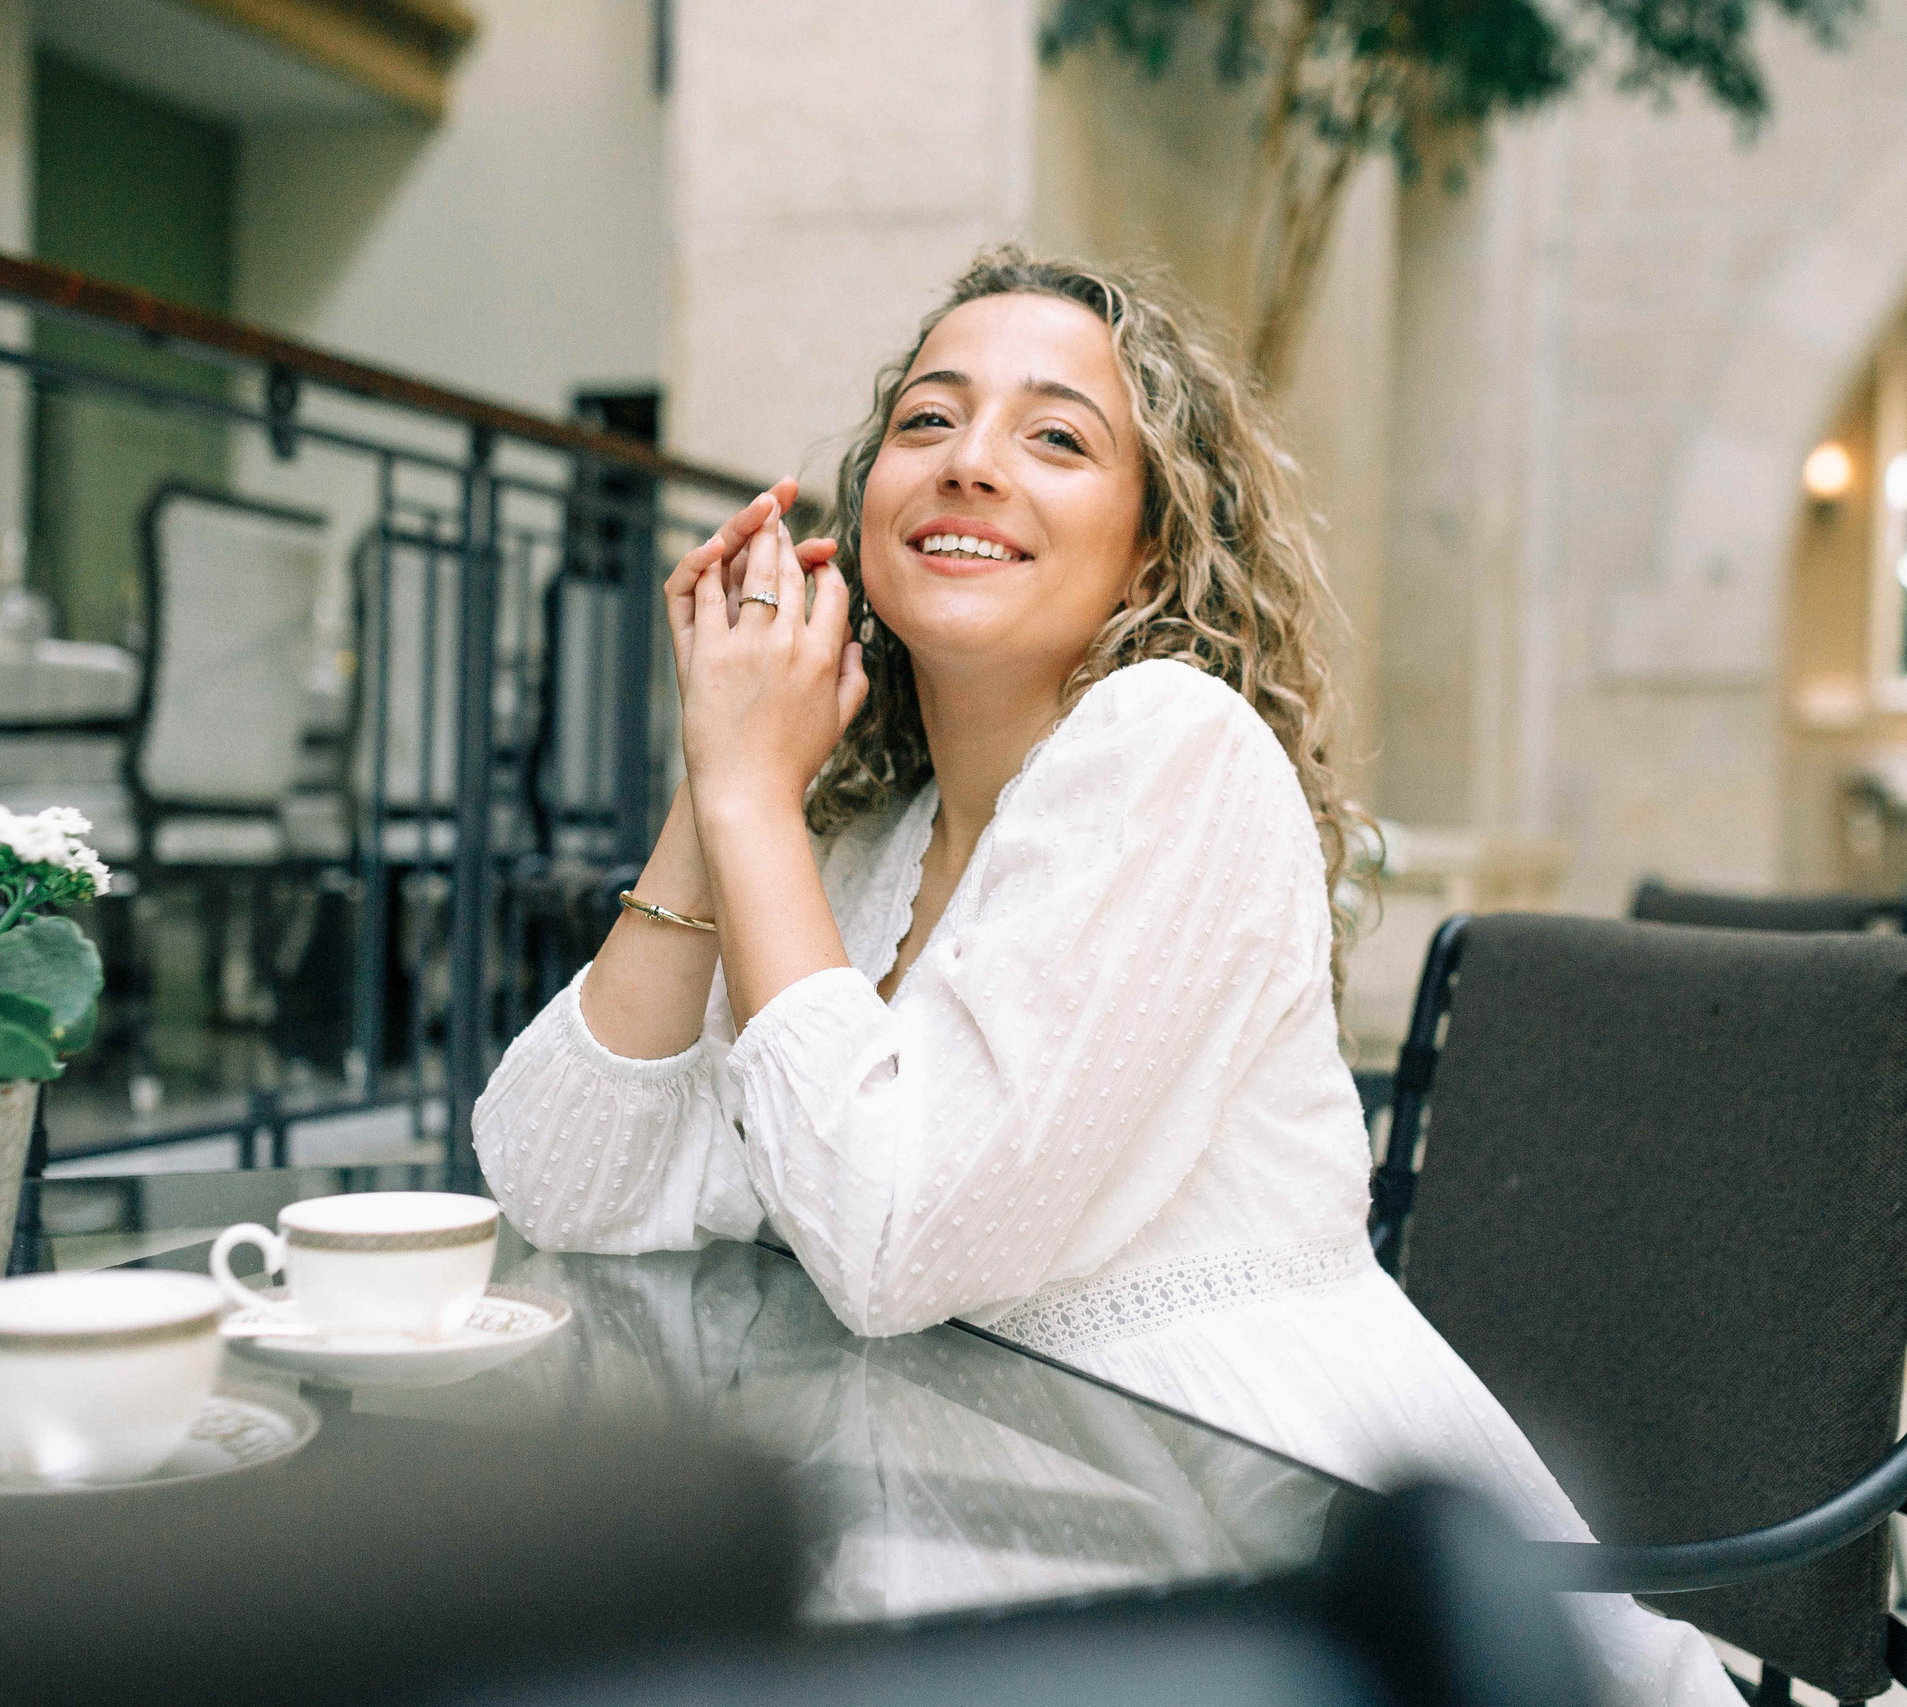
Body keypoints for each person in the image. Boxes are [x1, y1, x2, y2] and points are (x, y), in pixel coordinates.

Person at [476, 250, 1740, 1706]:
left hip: (1278, 1563)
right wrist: (715, 793)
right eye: (928, 422)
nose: (971, 465)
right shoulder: (865, 853)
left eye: (1056, 436)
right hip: (977, 1525)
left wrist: (755, 802)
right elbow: (559, 1183)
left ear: (1154, 552)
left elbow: (889, 1239)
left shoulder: (1174, 751)